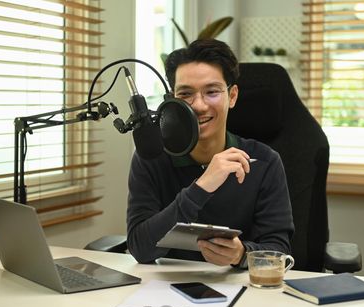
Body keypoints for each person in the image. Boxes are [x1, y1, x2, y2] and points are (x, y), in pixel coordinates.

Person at [126, 39, 294, 268]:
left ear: (232, 96)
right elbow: (140, 248)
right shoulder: (152, 157)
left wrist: (242, 255)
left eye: (212, 92)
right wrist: (201, 187)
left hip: (242, 290)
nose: (199, 105)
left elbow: (280, 251)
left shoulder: (265, 161)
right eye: (185, 94)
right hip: (166, 289)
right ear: (172, 100)